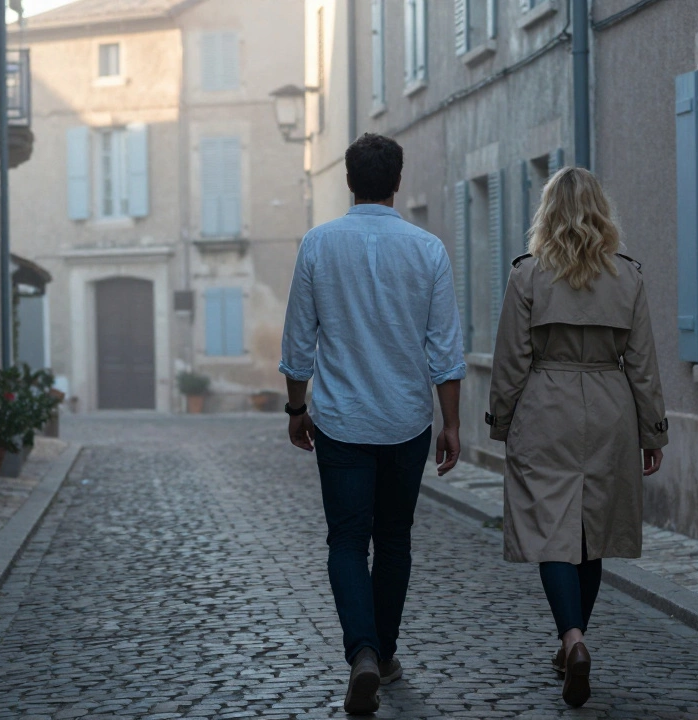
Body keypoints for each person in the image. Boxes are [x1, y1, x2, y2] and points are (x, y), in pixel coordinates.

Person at [280, 133, 466, 716]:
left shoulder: (317, 244)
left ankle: (361, 652)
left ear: (348, 180)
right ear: (398, 182)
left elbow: (297, 342)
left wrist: (295, 408)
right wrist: (451, 423)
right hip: (406, 421)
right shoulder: (428, 250)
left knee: (345, 540)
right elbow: (446, 349)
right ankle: (383, 656)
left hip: (339, 421)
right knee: (393, 541)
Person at [487, 166, 668, 708]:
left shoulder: (528, 276)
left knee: (551, 526)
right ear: (599, 211)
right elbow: (643, 365)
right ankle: (575, 642)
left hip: (547, 404)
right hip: (611, 405)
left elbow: (511, 360)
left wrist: (501, 420)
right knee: (592, 528)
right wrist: (652, 430)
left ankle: (572, 639)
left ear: (548, 213)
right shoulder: (628, 276)